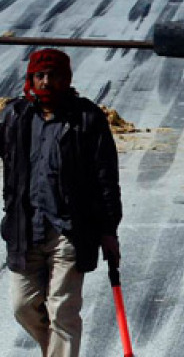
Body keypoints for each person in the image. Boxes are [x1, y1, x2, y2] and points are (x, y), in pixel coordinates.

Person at [1, 49, 122, 357]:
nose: (46, 82)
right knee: (22, 306)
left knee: (63, 312)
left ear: (66, 79)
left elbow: (106, 179)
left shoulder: (87, 118)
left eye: (53, 75)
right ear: (30, 79)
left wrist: (108, 230)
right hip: (25, 230)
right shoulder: (15, 116)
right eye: (39, 76)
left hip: (70, 231)